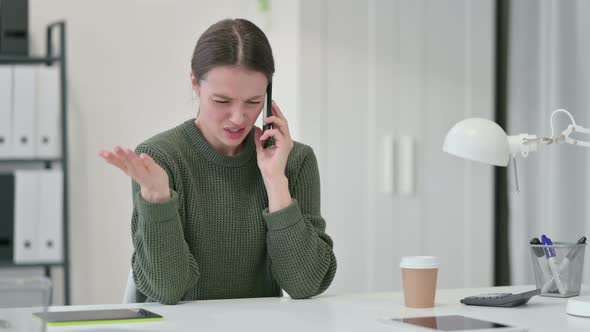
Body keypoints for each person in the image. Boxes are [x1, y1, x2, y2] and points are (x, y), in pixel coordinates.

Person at [98, 18, 337, 304]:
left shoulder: (295, 160)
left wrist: (276, 183)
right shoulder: (159, 159)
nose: (238, 118)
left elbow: (306, 284)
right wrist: (158, 200)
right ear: (194, 84)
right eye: (222, 101)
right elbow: (167, 290)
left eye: (253, 101)